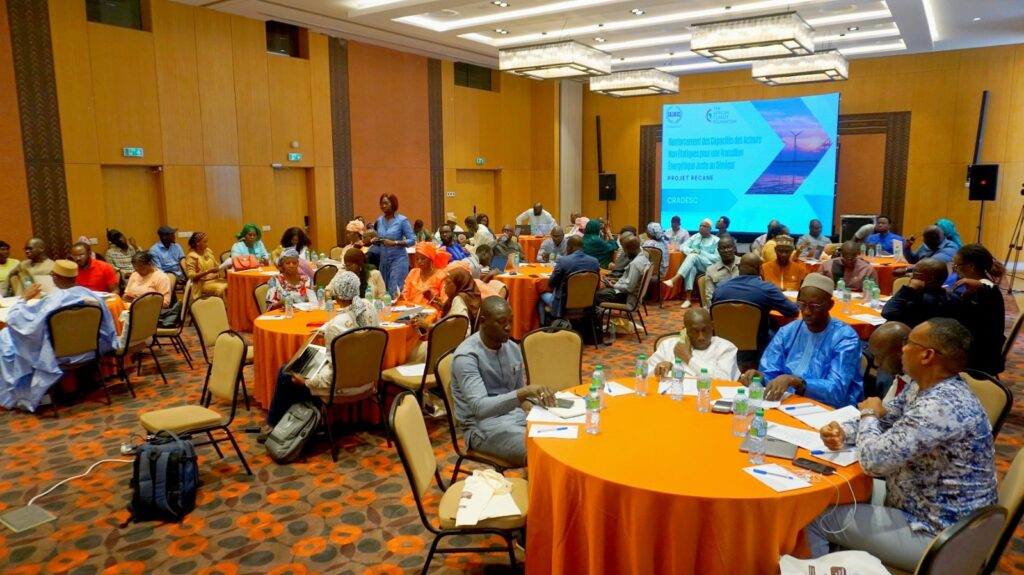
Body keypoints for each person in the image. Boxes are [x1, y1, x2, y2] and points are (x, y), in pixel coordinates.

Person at [809, 318, 997, 572]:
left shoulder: (940, 406)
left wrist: (868, 415)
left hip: (938, 534)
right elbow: (887, 420)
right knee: (835, 495)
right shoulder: (923, 387)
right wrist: (842, 432)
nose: (902, 348)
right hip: (919, 505)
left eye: (908, 343)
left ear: (927, 355)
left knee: (814, 517)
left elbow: (873, 462)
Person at [261, 271, 380, 434]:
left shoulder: (335, 327)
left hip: (342, 387)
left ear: (336, 294)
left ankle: (278, 425)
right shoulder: (369, 306)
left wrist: (306, 382)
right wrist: (324, 328)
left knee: (286, 372)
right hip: (368, 381)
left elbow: (331, 377)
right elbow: (350, 321)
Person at [450, 297, 557, 467]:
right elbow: (480, 408)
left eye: (510, 321)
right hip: (482, 429)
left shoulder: (512, 348)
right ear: (483, 322)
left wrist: (536, 407)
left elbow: (520, 396)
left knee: (563, 437)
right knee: (542, 451)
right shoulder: (467, 357)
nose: (508, 327)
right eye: (501, 322)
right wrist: (524, 393)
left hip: (516, 418)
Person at [0, 260, 118, 412]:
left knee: (5, 337)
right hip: (90, 350)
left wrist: (23, 299)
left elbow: (21, 323)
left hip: (60, 355)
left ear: (55, 277)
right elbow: (107, 326)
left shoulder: (53, 301)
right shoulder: (92, 296)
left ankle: (20, 394)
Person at [740, 273, 862, 408]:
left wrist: (797, 382)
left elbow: (837, 390)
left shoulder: (845, 338)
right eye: (802, 304)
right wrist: (760, 377)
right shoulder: (788, 331)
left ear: (830, 305)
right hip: (787, 402)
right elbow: (771, 372)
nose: (807, 312)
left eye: (815, 306)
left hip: (830, 409)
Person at [649, 308, 739, 380]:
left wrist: (688, 358)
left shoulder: (726, 348)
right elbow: (645, 374)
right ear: (685, 330)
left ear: (712, 326)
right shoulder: (668, 345)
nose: (701, 337)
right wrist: (662, 368)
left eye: (705, 330)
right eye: (694, 331)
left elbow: (723, 380)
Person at [882, 258, 964, 328]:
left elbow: (888, 312)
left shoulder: (917, 301)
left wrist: (909, 289)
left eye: (916, 274)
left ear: (931, 279)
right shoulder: (954, 298)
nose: (912, 276)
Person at [538, 236, 600, 325]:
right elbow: (597, 286)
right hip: (587, 306)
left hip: (563, 306)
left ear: (569, 247)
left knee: (540, 296)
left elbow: (551, 284)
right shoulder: (594, 261)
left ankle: (544, 327)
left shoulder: (563, 261)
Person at [663, 218, 720, 308]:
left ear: (710, 229)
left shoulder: (716, 240)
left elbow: (717, 258)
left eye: (704, 226)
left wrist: (700, 253)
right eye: (700, 225)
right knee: (691, 268)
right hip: (695, 263)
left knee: (693, 256)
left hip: (708, 266)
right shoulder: (695, 236)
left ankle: (674, 279)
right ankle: (688, 299)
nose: (701, 227)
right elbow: (682, 247)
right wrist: (691, 251)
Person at [375, 193, 416, 295]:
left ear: (393, 204)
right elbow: (381, 237)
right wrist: (377, 240)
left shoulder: (402, 220)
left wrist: (395, 243)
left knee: (395, 290)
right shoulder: (379, 220)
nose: (383, 206)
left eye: (386, 203)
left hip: (398, 260)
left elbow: (412, 240)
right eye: (381, 203)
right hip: (383, 261)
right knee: (384, 292)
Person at [595, 235, 650, 306]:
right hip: (632, 293)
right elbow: (631, 282)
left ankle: (598, 312)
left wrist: (614, 286)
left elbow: (629, 288)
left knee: (598, 294)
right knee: (603, 290)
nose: (625, 253)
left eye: (625, 250)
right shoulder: (644, 257)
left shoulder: (635, 264)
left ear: (632, 248)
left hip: (629, 297)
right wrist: (617, 283)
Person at [866, 321, 912, 406]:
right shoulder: (896, 375)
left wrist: (870, 411)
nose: (876, 363)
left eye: (880, 357)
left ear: (902, 351)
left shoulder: (923, 388)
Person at [401, 242, 451, 311]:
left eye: (423, 258)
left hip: (432, 313)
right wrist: (401, 296)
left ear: (431, 259)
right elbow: (405, 293)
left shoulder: (441, 276)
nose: (419, 261)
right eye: (417, 259)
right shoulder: (413, 272)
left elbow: (444, 304)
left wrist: (432, 297)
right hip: (410, 310)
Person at [184, 232, 227, 300]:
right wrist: (208, 271)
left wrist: (225, 265)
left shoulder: (208, 251)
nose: (207, 244)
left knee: (232, 285)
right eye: (205, 242)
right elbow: (191, 276)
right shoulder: (192, 256)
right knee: (222, 289)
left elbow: (216, 265)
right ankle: (222, 306)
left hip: (215, 279)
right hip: (202, 284)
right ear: (198, 243)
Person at [703, 236, 739, 305]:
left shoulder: (745, 264)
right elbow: (709, 296)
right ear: (718, 251)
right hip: (720, 306)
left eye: (729, 247)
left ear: (734, 248)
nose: (726, 250)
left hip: (744, 305)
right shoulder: (711, 270)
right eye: (722, 248)